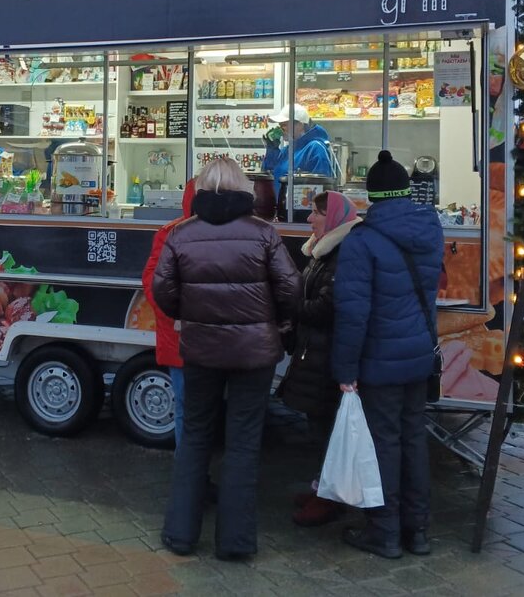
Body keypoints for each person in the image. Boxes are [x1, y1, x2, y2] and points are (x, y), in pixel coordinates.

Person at [154, 157, 300, 561]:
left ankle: (181, 535)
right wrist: (276, 319)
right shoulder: (263, 233)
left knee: (195, 439)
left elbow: (162, 291)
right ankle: (235, 543)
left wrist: (190, 313)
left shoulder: (181, 235)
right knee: (243, 443)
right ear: (244, 189)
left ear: (201, 188)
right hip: (255, 354)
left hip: (200, 350)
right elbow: (291, 288)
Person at [331, 150, 444, 559]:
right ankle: (419, 531)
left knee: (384, 444)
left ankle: (385, 533)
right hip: (418, 353)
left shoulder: (361, 241)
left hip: (379, 361)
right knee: (414, 440)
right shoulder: (430, 228)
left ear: (372, 196)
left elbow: (352, 311)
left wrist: (344, 368)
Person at [277, 190, 361, 527]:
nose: (309, 218)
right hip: (317, 351)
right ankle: (322, 489)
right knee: (320, 428)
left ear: (335, 218)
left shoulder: (341, 253)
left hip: (328, 357)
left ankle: (329, 499)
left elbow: (328, 307)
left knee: (326, 429)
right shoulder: (322, 250)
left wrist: (288, 306)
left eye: (316, 213)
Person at [140, 179, 197, 449]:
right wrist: (176, 316)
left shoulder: (171, 232)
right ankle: (190, 476)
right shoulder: (171, 233)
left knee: (193, 410)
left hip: (201, 340)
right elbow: (154, 283)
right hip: (185, 340)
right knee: (190, 408)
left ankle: (190, 476)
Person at [262, 103, 335, 180]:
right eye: (280, 125)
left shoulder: (315, 148)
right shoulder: (287, 150)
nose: (280, 129)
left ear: (300, 125)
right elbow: (268, 175)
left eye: (284, 125)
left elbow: (320, 184)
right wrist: (272, 150)